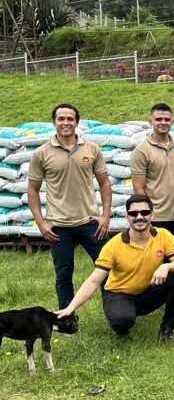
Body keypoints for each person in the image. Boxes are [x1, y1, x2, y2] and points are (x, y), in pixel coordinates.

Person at [55, 195, 174, 345]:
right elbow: (93, 281)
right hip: (119, 295)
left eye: (144, 212)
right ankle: (122, 326)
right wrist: (70, 308)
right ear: (127, 217)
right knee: (121, 320)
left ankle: (167, 331)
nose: (139, 217)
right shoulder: (114, 245)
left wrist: (167, 266)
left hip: (148, 292)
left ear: (152, 215)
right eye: (133, 213)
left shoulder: (163, 235)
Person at [28, 103, 112, 313]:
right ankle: (67, 320)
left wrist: (105, 216)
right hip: (59, 227)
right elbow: (32, 189)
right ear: (54, 122)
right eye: (61, 119)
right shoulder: (41, 153)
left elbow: (104, 183)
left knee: (108, 270)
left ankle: (114, 314)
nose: (66, 123)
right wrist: (41, 223)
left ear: (77, 122)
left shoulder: (91, 149)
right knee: (64, 274)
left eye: (70, 119)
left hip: (91, 224)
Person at [131, 103, 174, 245]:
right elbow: (138, 188)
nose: (163, 123)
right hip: (155, 217)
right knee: (153, 262)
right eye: (158, 119)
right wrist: (146, 215)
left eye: (167, 119)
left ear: (172, 122)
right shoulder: (141, 150)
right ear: (150, 121)